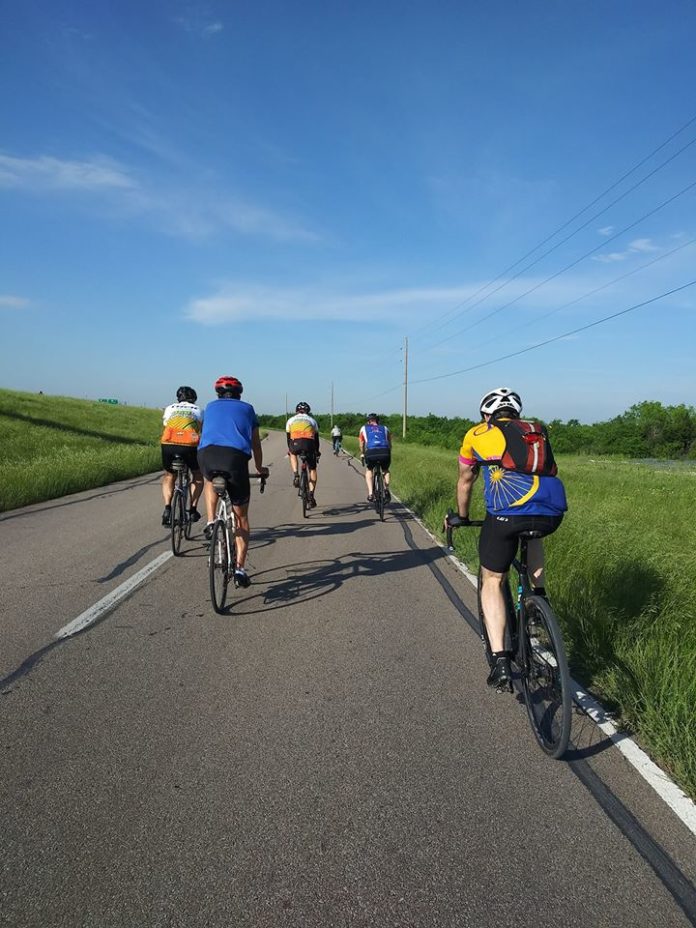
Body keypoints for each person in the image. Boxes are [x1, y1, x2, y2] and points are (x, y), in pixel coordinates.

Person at [445, 387, 567, 689]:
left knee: (492, 580)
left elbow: (465, 479)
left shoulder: (476, 434)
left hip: (504, 515)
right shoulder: (536, 431)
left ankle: (500, 660)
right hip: (551, 511)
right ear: (518, 414)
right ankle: (539, 597)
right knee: (533, 534)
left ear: (486, 414)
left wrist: (461, 515)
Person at [197, 376, 268, 588]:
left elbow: (204, 434)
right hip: (235, 458)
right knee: (242, 517)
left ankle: (211, 521)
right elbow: (256, 444)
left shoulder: (209, 407)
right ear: (239, 394)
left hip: (207, 455)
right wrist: (259, 468)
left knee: (210, 480)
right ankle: (239, 568)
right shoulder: (247, 409)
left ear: (218, 393)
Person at [160, 386, 204, 527]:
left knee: (169, 475)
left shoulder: (169, 408)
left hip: (169, 444)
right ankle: (192, 509)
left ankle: (167, 507)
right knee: (197, 475)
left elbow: (166, 424)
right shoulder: (198, 410)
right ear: (194, 399)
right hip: (189, 445)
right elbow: (202, 429)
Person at [285, 402, 320, 508]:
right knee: (312, 470)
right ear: (308, 411)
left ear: (296, 411)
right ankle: (311, 495)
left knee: (292, 453)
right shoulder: (312, 420)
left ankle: (296, 474)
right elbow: (316, 439)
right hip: (309, 445)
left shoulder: (290, 420)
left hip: (295, 444)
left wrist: (290, 449)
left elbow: (288, 438)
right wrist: (317, 451)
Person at [359, 413, 392, 502]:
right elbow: (389, 443)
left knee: (369, 470)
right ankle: (386, 489)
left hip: (371, 452)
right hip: (384, 452)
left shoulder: (363, 428)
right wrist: (388, 452)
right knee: (385, 469)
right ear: (378, 421)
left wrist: (362, 453)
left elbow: (361, 443)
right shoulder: (385, 428)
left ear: (368, 421)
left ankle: (370, 493)